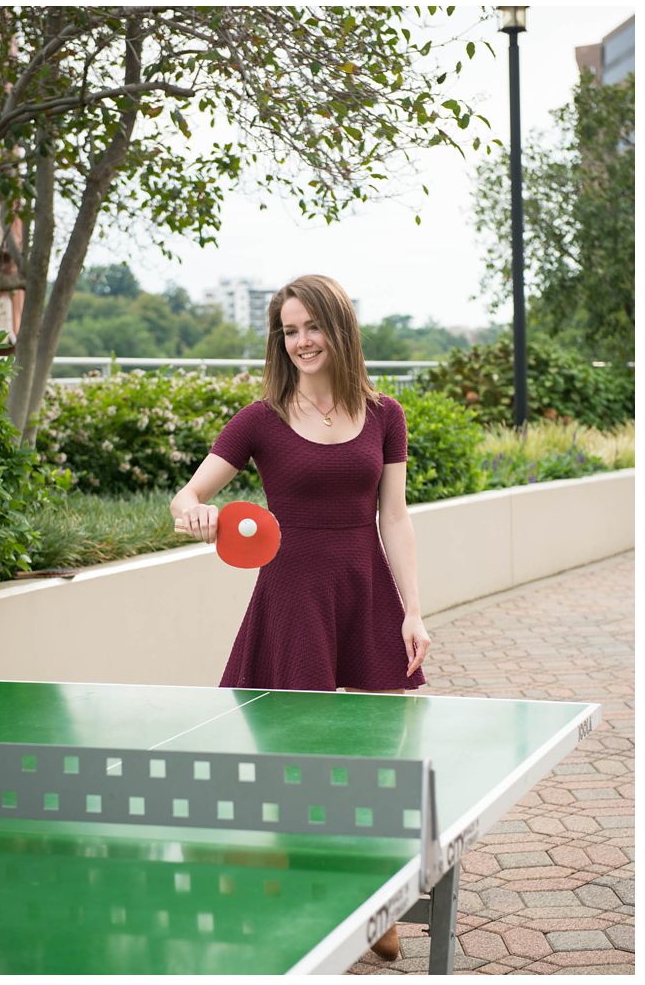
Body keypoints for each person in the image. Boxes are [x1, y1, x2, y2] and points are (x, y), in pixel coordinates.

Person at [169, 273, 431, 961]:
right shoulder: (261, 418)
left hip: (365, 587)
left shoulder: (385, 414)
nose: (302, 340)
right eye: (290, 330)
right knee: (296, 757)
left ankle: (379, 897)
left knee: (378, 755)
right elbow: (189, 494)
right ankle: (308, 885)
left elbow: (395, 518)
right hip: (291, 597)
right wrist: (195, 512)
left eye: (312, 326)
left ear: (339, 328)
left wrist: (413, 610)